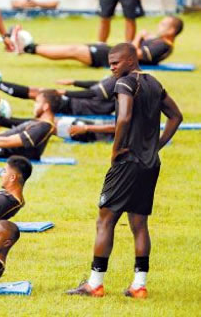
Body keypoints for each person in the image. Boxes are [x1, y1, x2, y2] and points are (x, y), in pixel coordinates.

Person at [66, 43, 182, 298]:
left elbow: (125, 119)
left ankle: (95, 283)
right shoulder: (153, 83)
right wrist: (157, 145)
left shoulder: (125, 83)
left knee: (105, 220)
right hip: (149, 164)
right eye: (110, 63)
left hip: (126, 163)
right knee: (139, 224)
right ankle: (139, 285)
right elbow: (176, 116)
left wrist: (115, 150)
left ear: (131, 60)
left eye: (116, 62)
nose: (112, 67)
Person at [12, 16, 184, 68]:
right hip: (111, 52)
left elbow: (135, 52)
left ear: (171, 31)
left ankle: (29, 47)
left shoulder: (163, 45)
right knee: (73, 48)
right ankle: (30, 47)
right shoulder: (161, 42)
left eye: (163, 24)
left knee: (72, 50)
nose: (159, 26)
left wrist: (139, 36)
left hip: (110, 57)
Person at [0, 75, 117, 116]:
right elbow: (99, 85)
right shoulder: (119, 77)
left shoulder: (121, 79)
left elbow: (92, 92)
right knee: (38, 92)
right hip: (79, 103)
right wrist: (74, 82)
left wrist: (65, 92)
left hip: (79, 105)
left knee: (39, 93)